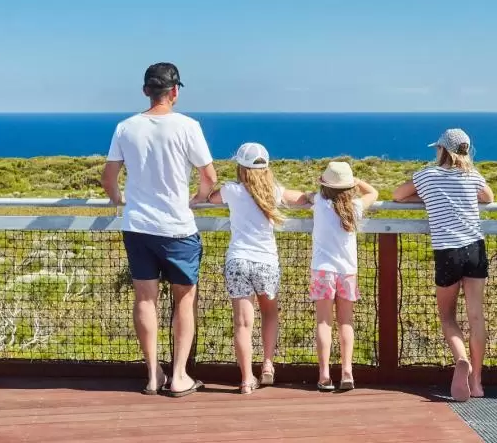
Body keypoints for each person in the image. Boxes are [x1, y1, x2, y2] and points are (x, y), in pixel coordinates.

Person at [101, 62, 217, 398]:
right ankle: (179, 376)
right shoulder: (188, 127)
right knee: (184, 300)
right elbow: (209, 178)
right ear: (175, 91)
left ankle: (153, 375)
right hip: (177, 229)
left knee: (145, 300)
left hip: (137, 227)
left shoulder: (126, 128)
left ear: (145, 91)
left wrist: (119, 199)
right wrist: (195, 199)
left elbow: (109, 179)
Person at [393, 129, 494, 402]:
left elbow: (398, 195)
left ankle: (461, 359)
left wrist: (426, 198)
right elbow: (489, 197)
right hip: (475, 248)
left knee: (447, 316)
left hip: (447, 252)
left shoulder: (427, 175)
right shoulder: (472, 176)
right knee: (476, 316)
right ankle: (477, 382)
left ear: (442, 150)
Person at [207, 142, 306, 394]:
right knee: (270, 313)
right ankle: (268, 365)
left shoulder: (231, 190)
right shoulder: (274, 191)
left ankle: (246, 379)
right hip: (266, 262)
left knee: (242, 324)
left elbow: (211, 197)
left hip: (238, 260)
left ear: (240, 167)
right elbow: (299, 198)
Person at [291, 161, 379, 392]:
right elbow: (374, 192)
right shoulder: (356, 206)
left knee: (323, 322)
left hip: (322, 269)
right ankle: (347, 371)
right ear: (349, 187)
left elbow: (305, 196)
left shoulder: (319, 203)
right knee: (346, 322)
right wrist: (355, 181)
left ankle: (324, 375)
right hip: (347, 271)